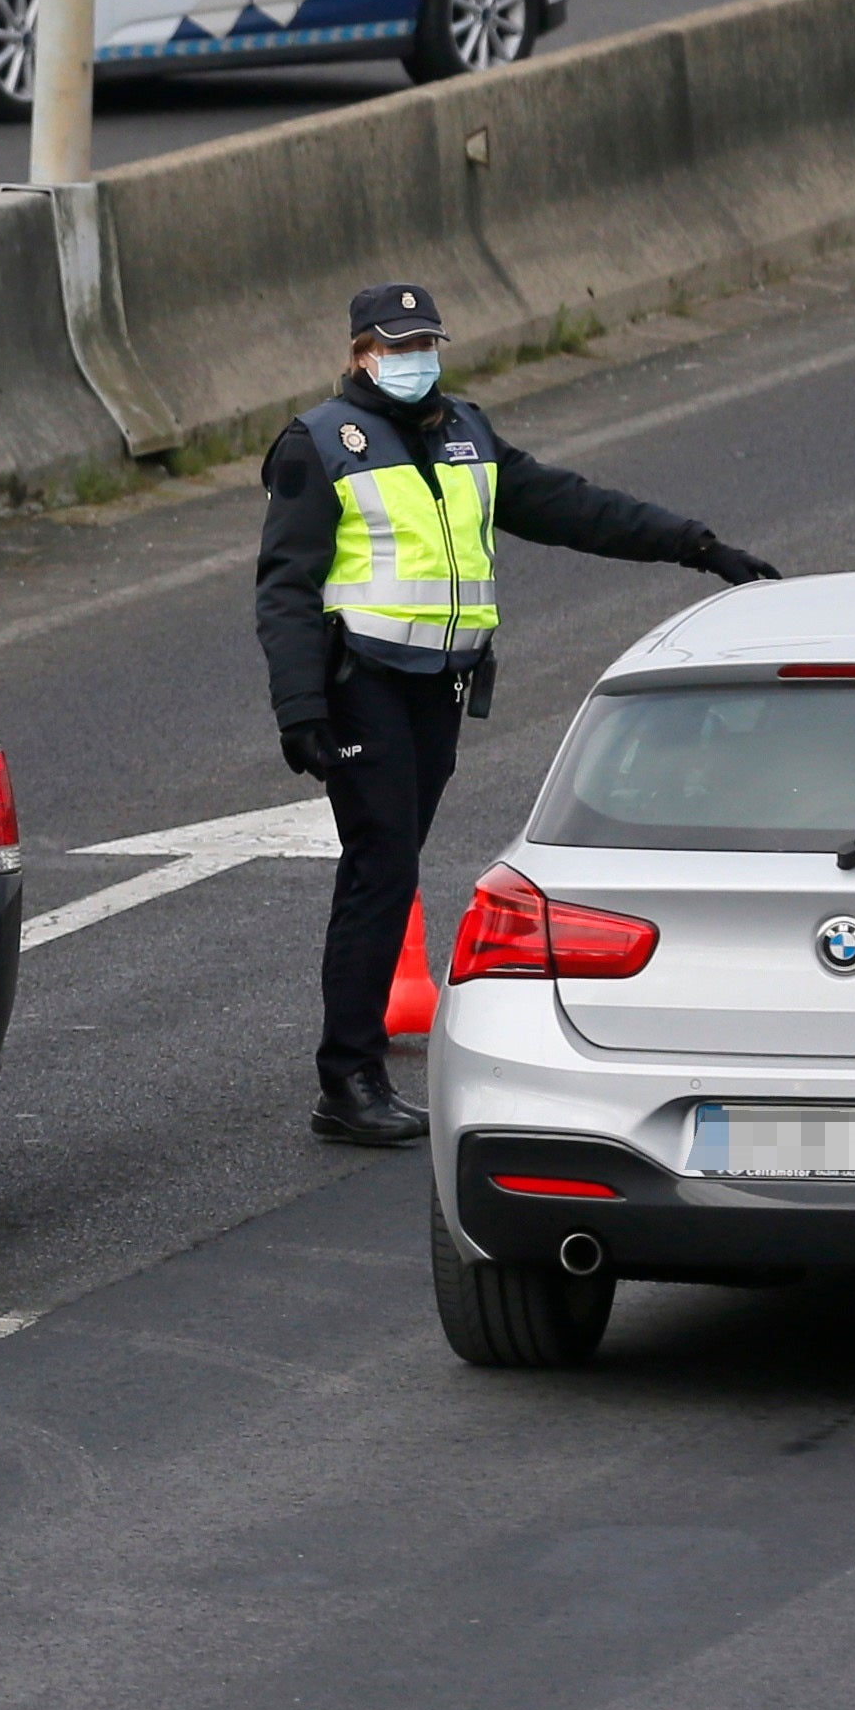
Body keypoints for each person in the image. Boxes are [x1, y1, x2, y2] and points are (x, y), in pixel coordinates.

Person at [257, 283, 779, 1147]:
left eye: (426, 343)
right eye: (397, 346)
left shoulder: (465, 431)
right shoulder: (319, 444)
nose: (416, 359)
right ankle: (347, 1080)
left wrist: (695, 545)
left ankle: (351, 1074)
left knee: (390, 866)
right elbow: (285, 587)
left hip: (441, 685)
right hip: (363, 682)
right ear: (362, 354)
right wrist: (300, 706)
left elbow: (571, 506)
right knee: (380, 869)